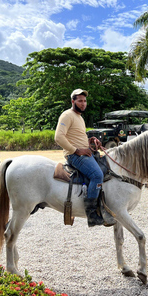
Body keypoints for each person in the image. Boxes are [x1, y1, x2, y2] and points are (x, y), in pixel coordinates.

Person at [55, 89, 105, 227]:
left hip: (83, 152)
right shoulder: (67, 115)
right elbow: (58, 137)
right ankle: (92, 214)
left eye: (84, 101)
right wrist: (77, 150)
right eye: (80, 101)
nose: (83, 104)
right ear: (73, 101)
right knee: (97, 175)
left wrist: (89, 141)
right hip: (74, 156)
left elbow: (76, 137)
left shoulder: (80, 117)